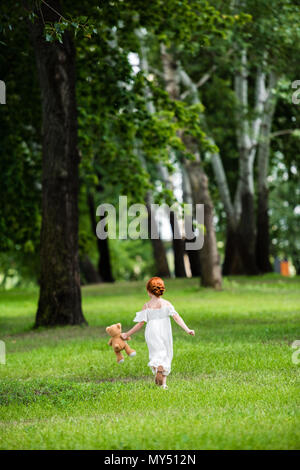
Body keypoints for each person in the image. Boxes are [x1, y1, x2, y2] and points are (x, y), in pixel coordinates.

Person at [121, 276, 195, 389]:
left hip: (152, 331)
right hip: (165, 330)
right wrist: (187, 329)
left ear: (148, 291)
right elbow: (176, 317)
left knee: (155, 353)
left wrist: (127, 334)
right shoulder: (167, 304)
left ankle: (157, 370)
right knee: (166, 353)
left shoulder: (147, 306)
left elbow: (140, 324)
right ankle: (163, 384)